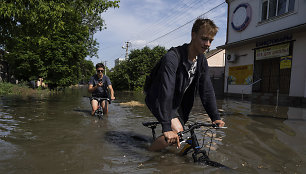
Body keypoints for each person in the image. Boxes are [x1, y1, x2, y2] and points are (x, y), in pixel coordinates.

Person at [145, 18, 225, 151]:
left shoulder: (201, 60)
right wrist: (166, 126)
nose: (208, 44)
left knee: (180, 136)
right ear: (193, 35)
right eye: (204, 39)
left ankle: (169, 158)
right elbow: (166, 90)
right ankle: (147, 155)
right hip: (159, 98)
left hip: (177, 103)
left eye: (211, 40)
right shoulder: (172, 57)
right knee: (177, 132)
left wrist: (215, 117)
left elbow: (206, 89)